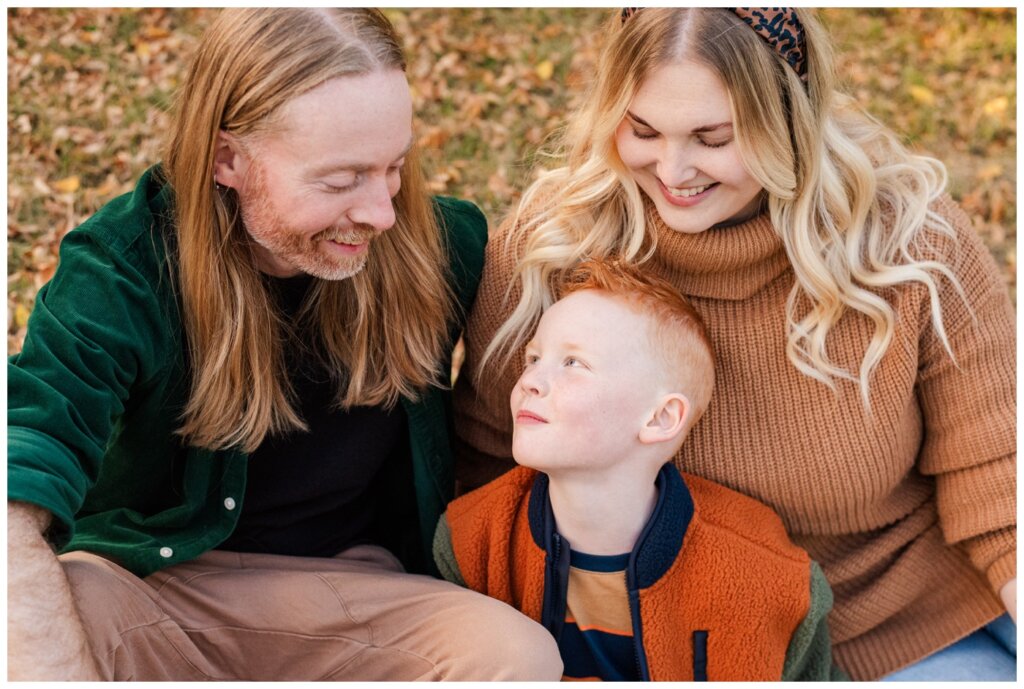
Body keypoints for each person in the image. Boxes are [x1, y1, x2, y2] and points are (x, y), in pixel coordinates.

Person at [452, 7, 1016, 682]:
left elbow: (1000, 481)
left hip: (899, 630)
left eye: (712, 138)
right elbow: (489, 465)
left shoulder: (910, 247)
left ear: (786, 122)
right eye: (643, 130)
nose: (673, 168)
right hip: (674, 649)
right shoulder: (552, 247)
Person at [7, 8, 562, 681]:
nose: (382, 213)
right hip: (155, 591)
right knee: (47, 603)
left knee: (515, 655)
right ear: (226, 158)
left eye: (394, 167)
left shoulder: (443, 247)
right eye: (339, 180)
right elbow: (20, 472)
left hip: (360, 603)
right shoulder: (120, 272)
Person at [435, 259, 846, 681]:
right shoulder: (472, 541)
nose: (531, 382)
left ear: (660, 419)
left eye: (573, 363)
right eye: (534, 358)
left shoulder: (766, 579)